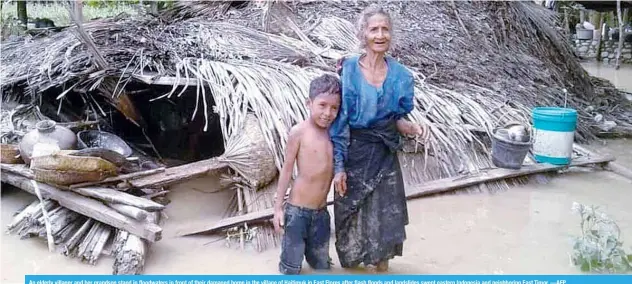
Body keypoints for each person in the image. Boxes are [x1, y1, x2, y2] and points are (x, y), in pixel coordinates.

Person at [329, 4, 430, 272]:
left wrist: (413, 128)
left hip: (384, 155)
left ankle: (382, 271)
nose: (380, 35)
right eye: (374, 29)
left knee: (386, 220)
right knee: (349, 221)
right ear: (364, 34)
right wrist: (338, 167)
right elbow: (340, 124)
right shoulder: (348, 69)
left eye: (385, 29)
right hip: (355, 154)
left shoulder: (401, 76)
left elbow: (395, 120)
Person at [273, 74, 342, 275]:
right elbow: (286, 171)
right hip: (297, 213)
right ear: (309, 103)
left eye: (334, 108)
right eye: (322, 105)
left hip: (321, 214)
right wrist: (278, 209)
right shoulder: (299, 132)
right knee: (290, 269)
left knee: (321, 267)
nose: (328, 113)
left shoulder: (337, 134)